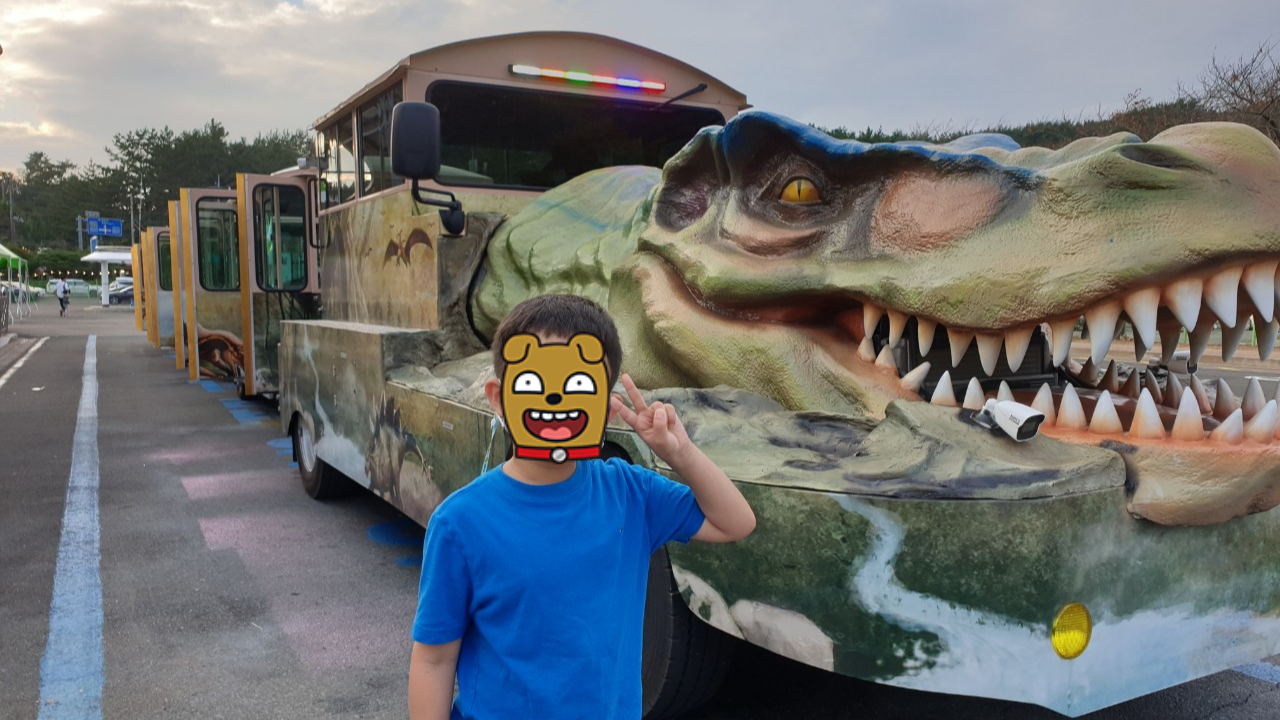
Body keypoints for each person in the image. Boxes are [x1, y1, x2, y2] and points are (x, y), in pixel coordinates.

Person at [408, 294, 756, 720]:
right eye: (533, 385)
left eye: (578, 386)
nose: (555, 399)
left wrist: (679, 453)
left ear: (606, 407)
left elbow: (735, 522)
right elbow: (434, 660)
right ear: (499, 398)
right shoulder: (459, 523)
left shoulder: (631, 493)